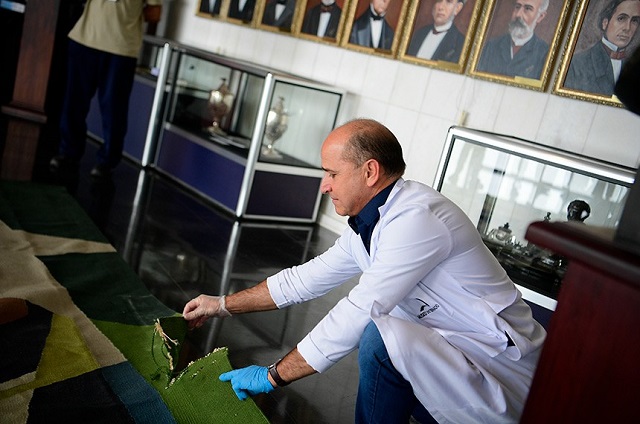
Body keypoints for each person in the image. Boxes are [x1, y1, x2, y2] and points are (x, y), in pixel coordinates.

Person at [183, 119, 547, 423]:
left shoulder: (417, 220)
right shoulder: (369, 224)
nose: (324, 185)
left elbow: (358, 310)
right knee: (388, 346)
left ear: (370, 171)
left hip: (500, 371)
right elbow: (303, 280)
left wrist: (273, 376)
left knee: (380, 340)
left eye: (332, 173)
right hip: (449, 357)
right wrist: (221, 304)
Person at [49, 0, 162, 179]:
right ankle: (68, 152)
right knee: (73, 102)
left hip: (120, 49)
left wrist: (128, 14)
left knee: (113, 109)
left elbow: (155, 13)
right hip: (84, 40)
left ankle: (106, 162)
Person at [564, 0, 640, 96]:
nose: (627, 28)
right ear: (605, 23)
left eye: (634, 21)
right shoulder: (577, 64)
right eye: (621, 19)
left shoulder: (635, 69)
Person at [476, 0, 549, 79]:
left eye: (527, 9)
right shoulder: (491, 46)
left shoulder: (544, 54)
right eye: (517, 7)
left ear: (540, 16)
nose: (518, 15)